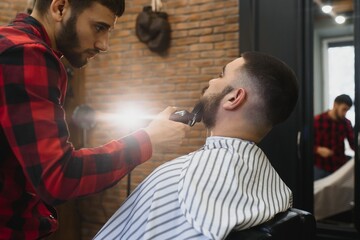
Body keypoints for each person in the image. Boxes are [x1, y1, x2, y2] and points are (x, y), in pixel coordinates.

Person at [0, 0, 189, 238]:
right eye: (99, 27)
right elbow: (59, 177)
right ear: (60, 8)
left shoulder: (9, 43)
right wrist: (148, 140)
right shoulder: (27, 54)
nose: (104, 45)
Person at [94, 52, 299, 240]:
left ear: (234, 98)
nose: (211, 80)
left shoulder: (181, 177)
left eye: (220, 75)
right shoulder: (279, 189)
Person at [313, 94, 355, 180]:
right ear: (335, 105)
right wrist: (318, 149)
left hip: (339, 167)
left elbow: (353, 143)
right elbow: (307, 143)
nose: (345, 113)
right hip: (320, 166)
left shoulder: (346, 123)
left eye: (347, 110)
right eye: (344, 109)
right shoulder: (318, 120)